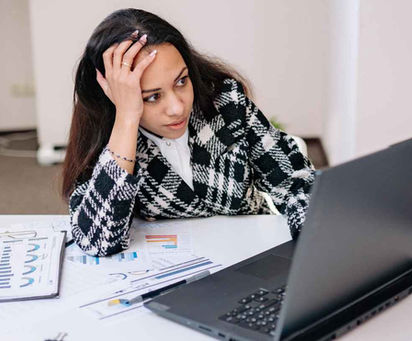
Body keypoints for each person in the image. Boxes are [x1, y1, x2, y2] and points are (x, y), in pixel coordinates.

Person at [61, 8, 315, 257]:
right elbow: (97, 241)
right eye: (152, 97)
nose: (176, 108)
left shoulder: (226, 104)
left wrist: (309, 247)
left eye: (181, 81)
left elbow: (297, 182)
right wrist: (127, 119)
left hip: (251, 256)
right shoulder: (111, 132)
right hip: (169, 272)